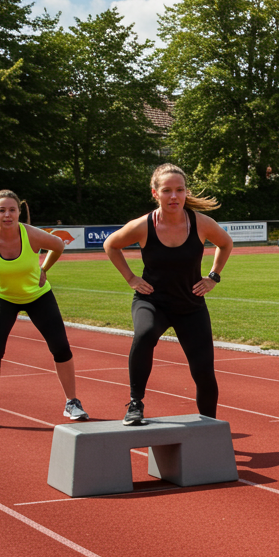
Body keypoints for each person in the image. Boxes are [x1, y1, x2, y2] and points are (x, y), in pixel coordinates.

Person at [103, 164, 233, 426]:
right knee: (144, 334)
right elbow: (111, 245)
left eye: (179, 190)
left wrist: (213, 277)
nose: (174, 196)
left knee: (204, 371)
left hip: (190, 305)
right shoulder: (143, 225)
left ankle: (209, 426)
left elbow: (225, 243)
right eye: (167, 190)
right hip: (152, 302)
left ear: (186, 192)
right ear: (155, 193)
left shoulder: (200, 223)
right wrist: (131, 278)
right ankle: (135, 403)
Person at [0, 190, 87, 430]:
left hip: (38, 296)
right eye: (2, 210)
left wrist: (44, 268)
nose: (7, 215)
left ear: (19, 212)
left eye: (12, 210)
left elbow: (58, 245)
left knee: (60, 346)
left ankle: (72, 402)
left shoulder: (32, 235)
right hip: (2, 298)